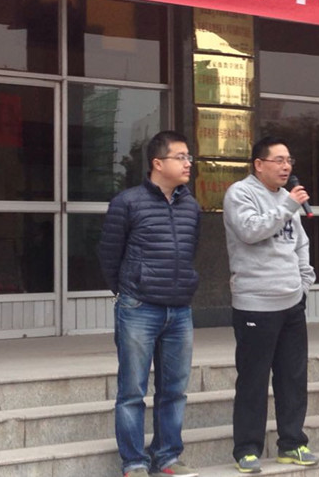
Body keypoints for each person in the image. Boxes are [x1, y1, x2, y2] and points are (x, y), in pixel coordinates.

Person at [99, 131, 201, 477]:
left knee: (174, 390)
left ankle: (167, 456)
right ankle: (134, 462)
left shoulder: (191, 206)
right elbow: (109, 254)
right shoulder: (127, 202)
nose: (188, 163)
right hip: (139, 307)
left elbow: (191, 250)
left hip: (180, 309)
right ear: (158, 163)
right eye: (180, 157)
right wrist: (127, 290)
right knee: (132, 390)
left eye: (189, 157)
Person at [223, 136, 319, 474]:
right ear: (258, 164)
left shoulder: (287, 198)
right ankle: (247, 449)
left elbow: (300, 244)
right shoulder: (240, 194)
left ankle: (292, 443)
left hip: (291, 303)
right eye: (279, 160)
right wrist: (288, 205)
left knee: (293, 378)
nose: (286, 166)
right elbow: (251, 230)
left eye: (289, 160)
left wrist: (303, 283)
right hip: (255, 304)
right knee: (253, 379)